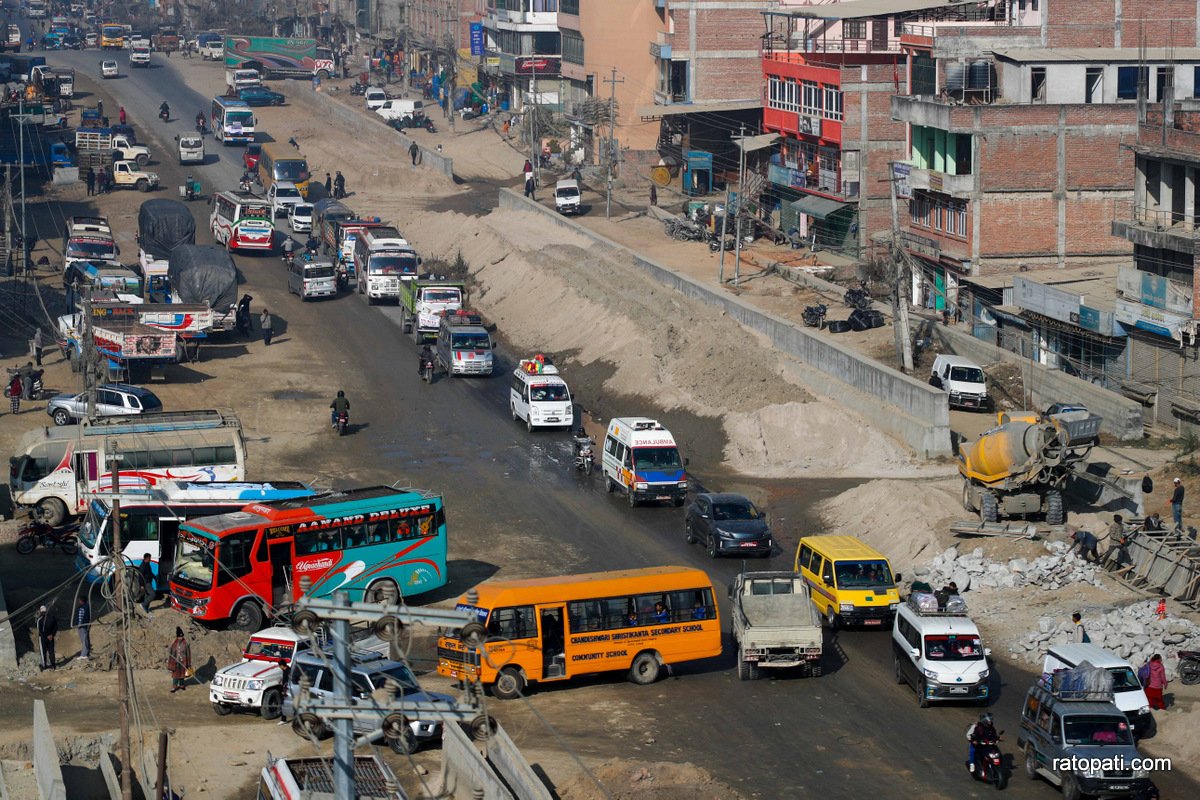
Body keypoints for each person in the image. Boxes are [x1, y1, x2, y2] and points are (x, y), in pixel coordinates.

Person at [167, 627, 191, 693]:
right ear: (177, 637)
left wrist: (188, 664)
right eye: (179, 637)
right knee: (175, 675)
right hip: (176, 662)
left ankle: (182, 685)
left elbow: (188, 654)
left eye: (182, 636)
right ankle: (174, 687)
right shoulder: (174, 643)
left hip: (183, 661)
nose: (181, 638)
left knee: (182, 675)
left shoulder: (186, 643)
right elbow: (171, 653)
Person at [36, 605, 57, 670]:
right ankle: (53, 665)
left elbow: (40, 631)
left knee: (43, 652)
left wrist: (46, 636)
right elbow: (55, 627)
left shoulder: (40, 620)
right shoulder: (52, 618)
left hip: (43, 638)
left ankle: (44, 665)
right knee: (51, 651)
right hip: (51, 637)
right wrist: (52, 635)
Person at [75, 596, 90, 661]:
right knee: (83, 640)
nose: (79, 601)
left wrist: (80, 624)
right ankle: (84, 653)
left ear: (82, 601)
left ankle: (84, 654)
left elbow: (82, 617)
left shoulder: (84, 607)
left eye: (79, 600)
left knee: (84, 640)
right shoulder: (84, 607)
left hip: (83, 625)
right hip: (82, 625)